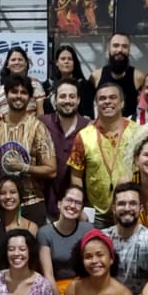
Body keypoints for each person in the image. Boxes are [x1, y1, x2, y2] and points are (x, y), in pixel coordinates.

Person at [0, 71, 55, 225]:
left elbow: (51, 170)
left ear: (30, 98)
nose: (19, 96)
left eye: (23, 92)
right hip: (1, 201)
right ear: (6, 95)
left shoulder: (38, 128)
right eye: (14, 91)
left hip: (32, 201)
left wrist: (24, 167)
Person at [67, 82, 143, 214]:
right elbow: (76, 176)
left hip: (130, 210)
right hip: (96, 214)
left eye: (113, 97)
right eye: (102, 98)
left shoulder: (138, 133)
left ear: (122, 103)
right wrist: (80, 205)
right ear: (96, 104)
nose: (107, 101)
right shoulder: (84, 136)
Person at [101, 182, 148, 295]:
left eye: (133, 203)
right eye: (122, 204)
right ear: (114, 209)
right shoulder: (102, 238)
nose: (127, 208)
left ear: (141, 208)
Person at [41, 77, 89, 216]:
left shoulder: (88, 128)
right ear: (55, 100)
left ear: (78, 100)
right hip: (46, 205)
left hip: (78, 207)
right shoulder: (42, 123)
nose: (67, 100)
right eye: (62, 96)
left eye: (71, 96)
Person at [0, 175, 40, 275]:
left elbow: (32, 263)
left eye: (13, 192)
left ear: (20, 195)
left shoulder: (31, 227)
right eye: (2, 193)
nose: (8, 197)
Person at [38, 183, 89, 287]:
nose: (72, 206)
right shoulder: (45, 233)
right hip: (56, 287)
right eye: (69, 200)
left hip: (83, 286)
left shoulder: (87, 229)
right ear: (59, 204)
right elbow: (48, 275)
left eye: (78, 203)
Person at [0, 46, 46, 123]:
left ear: (26, 63)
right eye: (13, 60)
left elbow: (40, 113)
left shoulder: (35, 84)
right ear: (7, 64)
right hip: (3, 127)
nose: (17, 62)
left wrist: (36, 127)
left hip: (29, 127)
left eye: (20, 60)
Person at [93, 32, 144, 106]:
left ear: (129, 50)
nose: (120, 50)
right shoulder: (96, 76)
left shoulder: (138, 77)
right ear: (108, 48)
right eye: (115, 45)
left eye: (124, 46)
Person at [50, 44, 95, 119]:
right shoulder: (49, 85)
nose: (66, 61)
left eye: (70, 59)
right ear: (57, 62)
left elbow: (88, 114)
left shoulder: (84, 85)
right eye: (63, 59)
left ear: (74, 62)